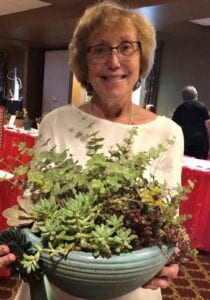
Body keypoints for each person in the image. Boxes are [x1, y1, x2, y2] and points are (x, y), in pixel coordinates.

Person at [0, 1, 184, 299]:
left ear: (142, 57)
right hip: (56, 282)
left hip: (131, 285)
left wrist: (168, 260)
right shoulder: (56, 122)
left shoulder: (168, 134)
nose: (113, 61)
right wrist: (16, 244)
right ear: (83, 63)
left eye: (126, 47)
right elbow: (33, 209)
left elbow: (167, 223)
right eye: (99, 49)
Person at [172, 85, 209, 159]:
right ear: (196, 95)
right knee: (199, 165)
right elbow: (208, 124)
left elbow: (174, 126)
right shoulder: (202, 106)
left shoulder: (179, 109)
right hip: (200, 142)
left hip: (185, 141)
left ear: (183, 96)